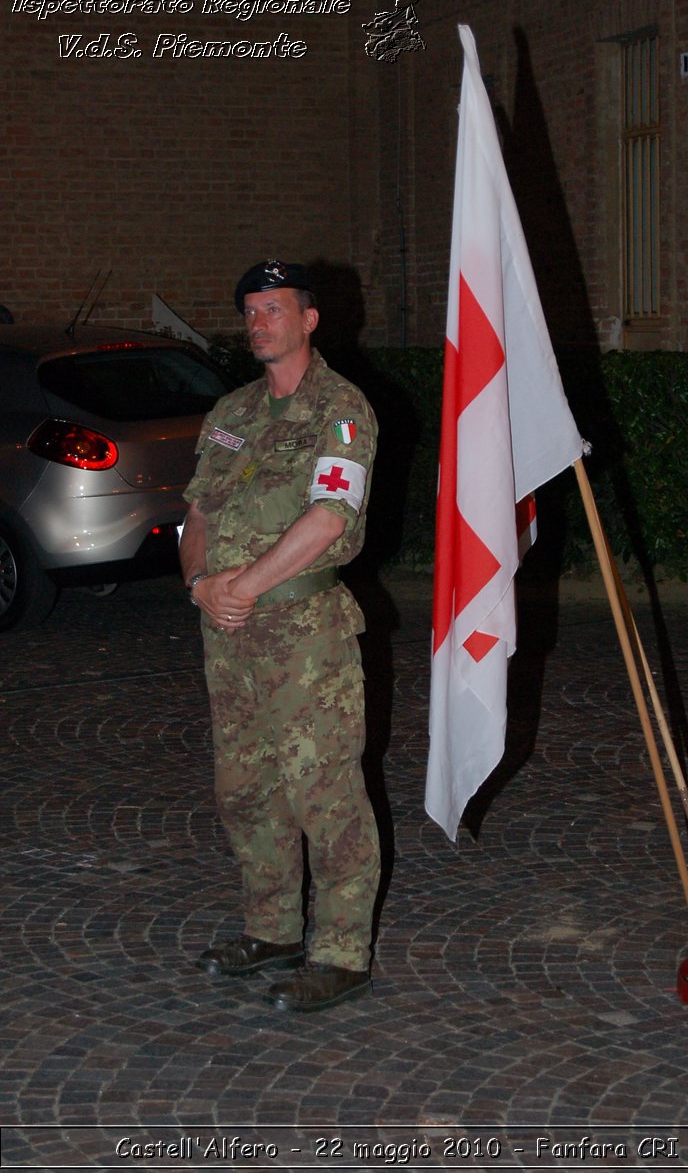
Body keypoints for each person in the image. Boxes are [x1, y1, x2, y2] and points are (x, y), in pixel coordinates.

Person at [179, 259, 381, 1012]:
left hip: (304, 636)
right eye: (252, 311)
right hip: (227, 634)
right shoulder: (231, 411)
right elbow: (196, 514)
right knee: (245, 789)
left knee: (324, 792)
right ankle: (272, 930)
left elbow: (332, 516)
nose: (260, 322)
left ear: (309, 319)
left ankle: (340, 951)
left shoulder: (341, 408)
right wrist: (202, 585)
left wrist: (244, 586)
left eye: (275, 309)